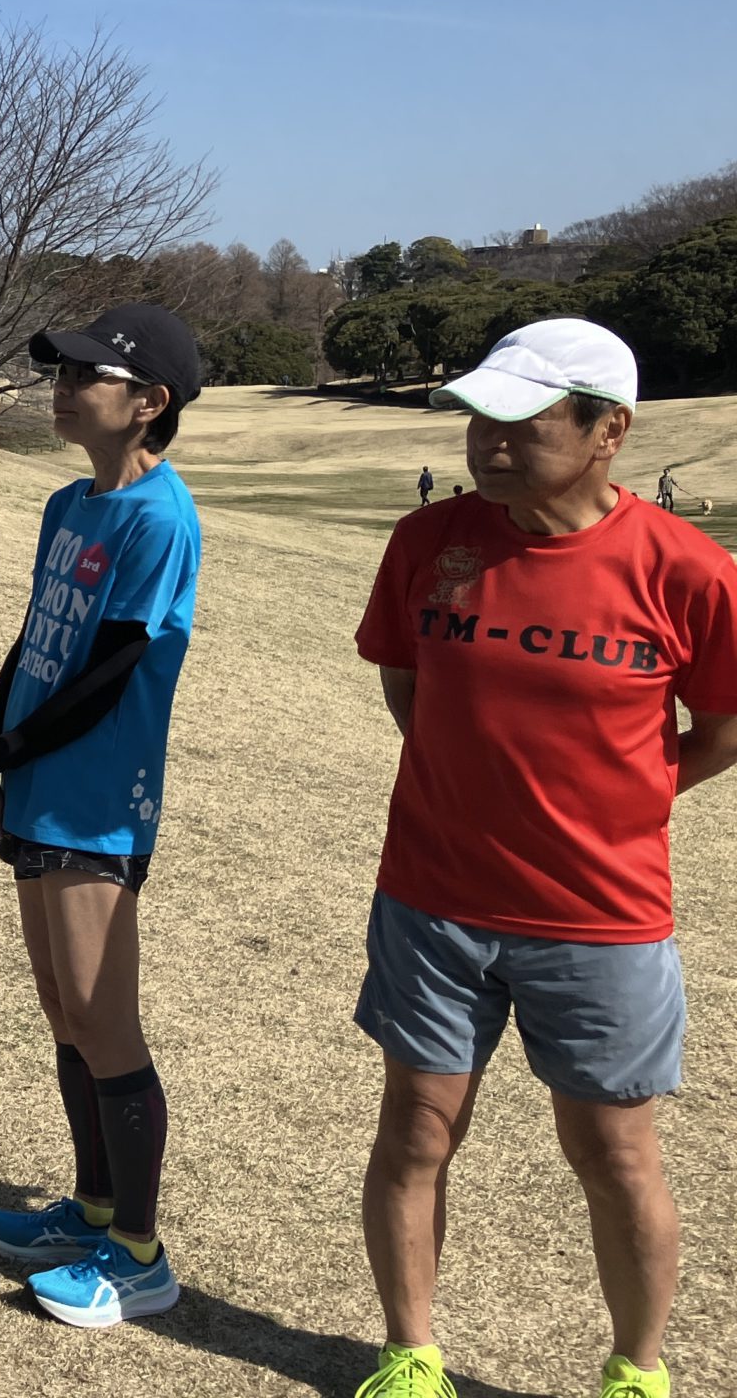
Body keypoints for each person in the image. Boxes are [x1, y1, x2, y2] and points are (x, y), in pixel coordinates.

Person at [350, 318, 734, 1398]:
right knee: (416, 1133)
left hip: (600, 918)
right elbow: (406, 683)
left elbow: (721, 729)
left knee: (614, 1155)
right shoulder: (430, 541)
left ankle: (636, 1372)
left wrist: (618, 801)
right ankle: (410, 1354)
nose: (490, 440)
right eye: (480, 417)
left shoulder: (689, 571)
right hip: (432, 899)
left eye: (522, 420)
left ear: (611, 430)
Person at [0, 303, 204, 1328]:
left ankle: (137, 1255)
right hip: (40, 782)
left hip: (96, 801)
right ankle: (90, 1211)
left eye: (87, 376)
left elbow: (111, 669)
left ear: (149, 403)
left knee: (104, 1020)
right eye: (61, 373)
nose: (62, 388)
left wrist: (5, 753)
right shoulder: (69, 505)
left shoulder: (158, 518)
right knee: (63, 1009)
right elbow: (37, 643)